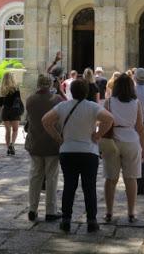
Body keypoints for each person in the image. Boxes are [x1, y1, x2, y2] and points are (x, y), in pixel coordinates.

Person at [42, 79, 113, 233]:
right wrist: (98, 135)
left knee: (69, 186)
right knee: (89, 188)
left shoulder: (63, 106)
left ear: (71, 91)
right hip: (89, 152)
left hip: (68, 151)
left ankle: (66, 220)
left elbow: (45, 121)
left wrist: (57, 137)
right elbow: (109, 119)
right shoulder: (93, 107)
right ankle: (92, 221)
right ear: (87, 92)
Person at [101, 74, 144, 224]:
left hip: (113, 139)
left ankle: (108, 212)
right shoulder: (136, 103)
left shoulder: (108, 102)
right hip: (131, 139)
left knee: (111, 179)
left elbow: (103, 123)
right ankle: (131, 212)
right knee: (131, 179)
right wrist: (143, 147)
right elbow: (140, 127)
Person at [25, 75, 63, 222]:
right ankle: (50, 211)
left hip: (35, 143)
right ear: (50, 84)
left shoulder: (30, 99)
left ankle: (32, 209)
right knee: (52, 177)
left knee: (35, 176)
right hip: (52, 142)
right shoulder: (56, 100)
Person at [0, 71, 23, 155]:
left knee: (7, 131)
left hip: (5, 111)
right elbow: (18, 101)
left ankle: (8, 147)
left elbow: (0, 105)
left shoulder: (2, 90)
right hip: (14, 111)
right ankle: (12, 144)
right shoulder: (16, 88)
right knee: (15, 130)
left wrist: (0, 116)